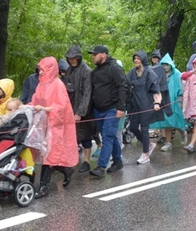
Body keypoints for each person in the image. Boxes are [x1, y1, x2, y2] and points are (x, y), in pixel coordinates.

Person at [31, 56, 78, 198]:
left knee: (48, 156)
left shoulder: (58, 85)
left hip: (56, 126)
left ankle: (43, 187)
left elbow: (62, 106)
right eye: (39, 70)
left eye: (43, 70)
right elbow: (35, 101)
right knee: (47, 156)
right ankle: (66, 170)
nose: (40, 73)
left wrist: (46, 109)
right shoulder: (41, 85)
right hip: (44, 125)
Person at [88, 45, 128, 178]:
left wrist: (121, 108)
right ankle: (117, 161)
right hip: (98, 110)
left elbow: (123, 86)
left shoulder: (115, 68)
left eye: (95, 54)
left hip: (112, 109)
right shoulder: (95, 72)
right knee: (109, 136)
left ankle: (101, 166)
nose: (92, 57)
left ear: (103, 55)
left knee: (107, 137)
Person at [64, 44, 96, 173]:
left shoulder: (86, 71)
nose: (72, 60)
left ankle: (87, 161)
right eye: (69, 58)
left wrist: (80, 113)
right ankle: (70, 160)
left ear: (78, 58)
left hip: (84, 110)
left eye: (74, 58)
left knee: (85, 136)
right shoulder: (69, 71)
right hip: (70, 106)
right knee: (71, 136)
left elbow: (87, 93)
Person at [127, 50, 162, 164]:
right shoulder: (132, 73)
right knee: (132, 128)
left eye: (138, 58)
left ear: (143, 59)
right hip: (135, 105)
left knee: (145, 129)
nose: (136, 60)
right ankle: (149, 144)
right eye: (135, 59)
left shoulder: (149, 72)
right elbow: (125, 85)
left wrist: (157, 103)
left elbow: (156, 89)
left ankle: (145, 154)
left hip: (146, 105)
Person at [150, 53, 187, 151]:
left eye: (167, 65)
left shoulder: (177, 74)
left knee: (175, 122)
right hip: (164, 101)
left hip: (174, 101)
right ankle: (168, 142)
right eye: (163, 65)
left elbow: (181, 87)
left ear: (170, 64)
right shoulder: (159, 75)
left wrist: (180, 99)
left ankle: (183, 133)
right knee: (167, 122)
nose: (165, 67)